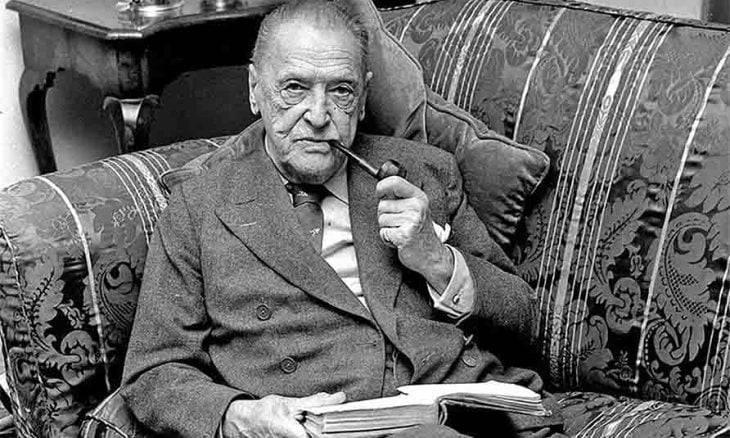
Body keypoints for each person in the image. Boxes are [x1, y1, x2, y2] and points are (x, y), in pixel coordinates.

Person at [120, 1, 551, 437]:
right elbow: (153, 372)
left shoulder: (424, 172)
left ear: (362, 99)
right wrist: (242, 417)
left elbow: (525, 320)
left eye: (341, 91)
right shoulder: (199, 207)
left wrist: (438, 260)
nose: (319, 116)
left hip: (467, 414)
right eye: (294, 88)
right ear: (254, 89)